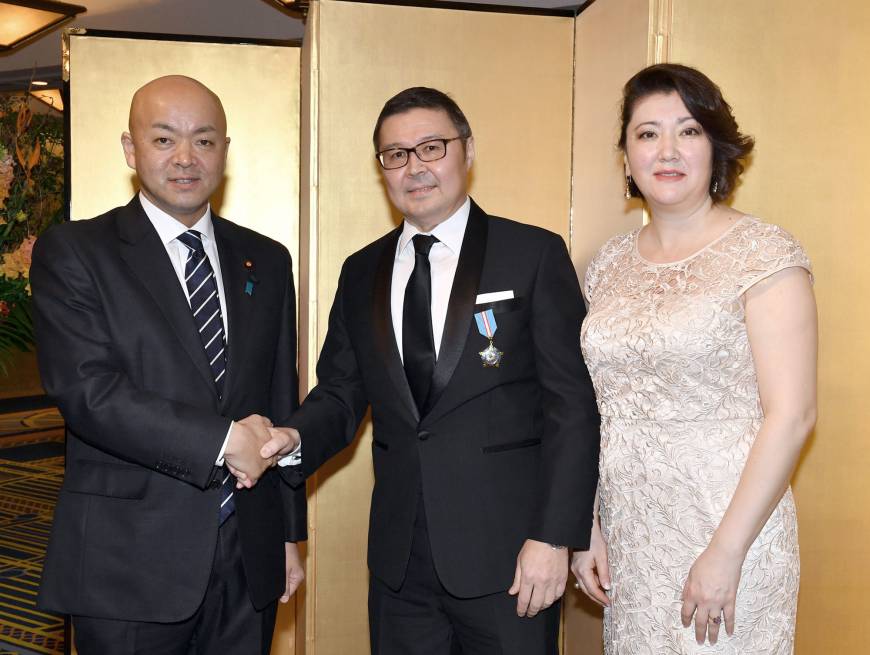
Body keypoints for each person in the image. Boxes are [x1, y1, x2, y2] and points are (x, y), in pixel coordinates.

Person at [262, 87, 600, 654]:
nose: (414, 167)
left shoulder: (532, 254)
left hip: (511, 557)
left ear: (466, 151)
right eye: (396, 154)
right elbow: (342, 392)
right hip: (400, 565)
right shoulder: (360, 270)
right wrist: (292, 438)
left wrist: (554, 536)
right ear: (382, 170)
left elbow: (571, 405)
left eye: (431, 147)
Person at [30, 75, 306, 655]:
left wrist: (285, 536)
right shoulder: (76, 252)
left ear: (225, 153)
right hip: (130, 558)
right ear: (131, 151)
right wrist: (223, 439)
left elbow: (278, 401)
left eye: (204, 141)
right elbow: (88, 393)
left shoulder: (268, 259)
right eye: (163, 140)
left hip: (248, 556)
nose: (186, 158)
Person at [574, 63, 817, 652]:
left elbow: (793, 415)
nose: (668, 150)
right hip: (632, 537)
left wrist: (725, 551)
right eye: (647, 133)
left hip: (730, 527)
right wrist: (585, 525)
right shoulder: (606, 264)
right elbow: (585, 407)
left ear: (716, 145)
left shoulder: (763, 252)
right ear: (627, 154)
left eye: (688, 131)